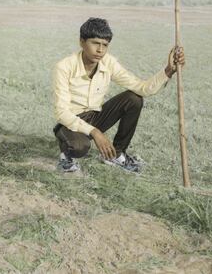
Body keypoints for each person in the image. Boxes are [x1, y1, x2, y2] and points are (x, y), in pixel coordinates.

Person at [53, 17, 185, 172]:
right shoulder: (64, 67)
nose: (100, 50)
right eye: (95, 43)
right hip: (70, 122)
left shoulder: (108, 62)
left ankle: (115, 154)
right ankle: (66, 157)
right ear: (82, 42)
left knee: (134, 99)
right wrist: (95, 132)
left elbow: (141, 88)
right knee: (79, 147)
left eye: (105, 45)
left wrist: (169, 70)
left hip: (95, 116)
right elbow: (62, 113)